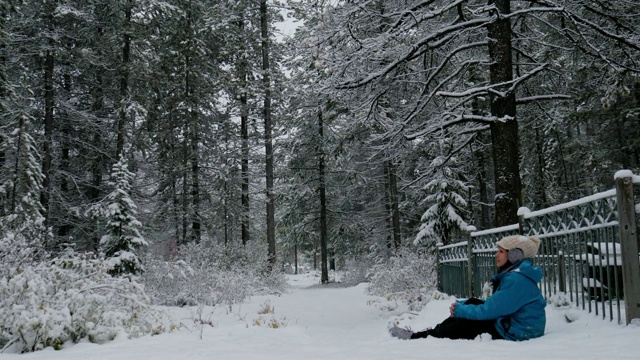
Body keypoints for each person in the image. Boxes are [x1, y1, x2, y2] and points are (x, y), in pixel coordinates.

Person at [389, 235, 546, 341]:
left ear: (515, 255)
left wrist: (460, 310)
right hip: (517, 325)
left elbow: (489, 311)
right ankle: (434, 332)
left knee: (464, 324)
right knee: (472, 302)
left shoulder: (517, 280)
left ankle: (418, 337)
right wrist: (463, 305)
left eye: (501, 251)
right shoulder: (517, 276)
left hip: (518, 331)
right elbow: (495, 305)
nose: (496, 255)